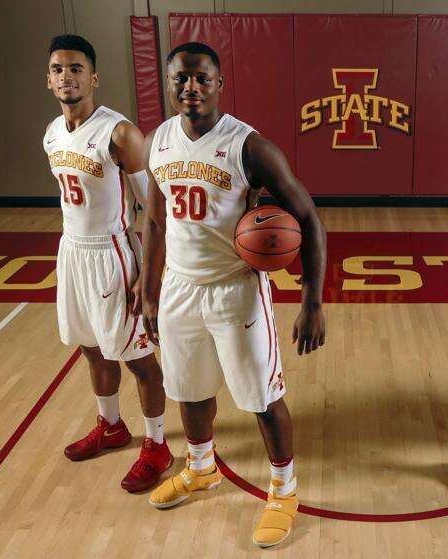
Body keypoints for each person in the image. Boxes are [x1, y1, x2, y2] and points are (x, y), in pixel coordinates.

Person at [140, 42, 327, 548]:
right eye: (181, 78)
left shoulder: (249, 147)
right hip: (179, 287)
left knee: (262, 398)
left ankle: (284, 490)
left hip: (235, 289)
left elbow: (309, 219)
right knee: (189, 388)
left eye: (201, 78)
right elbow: (154, 220)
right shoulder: (158, 141)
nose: (191, 87)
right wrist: (148, 289)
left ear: (219, 84)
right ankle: (201, 467)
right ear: (169, 83)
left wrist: (312, 301)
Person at [43, 35, 171, 492]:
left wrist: (147, 277)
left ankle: (157, 444)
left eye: (76, 68)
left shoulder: (119, 134)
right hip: (72, 251)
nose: (66, 77)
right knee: (91, 347)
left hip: (113, 253)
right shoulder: (52, 133)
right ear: (49, 79)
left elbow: (154, 210)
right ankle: (112, 425)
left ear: (93, 77)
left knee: (138, 358)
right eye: (58, 69)